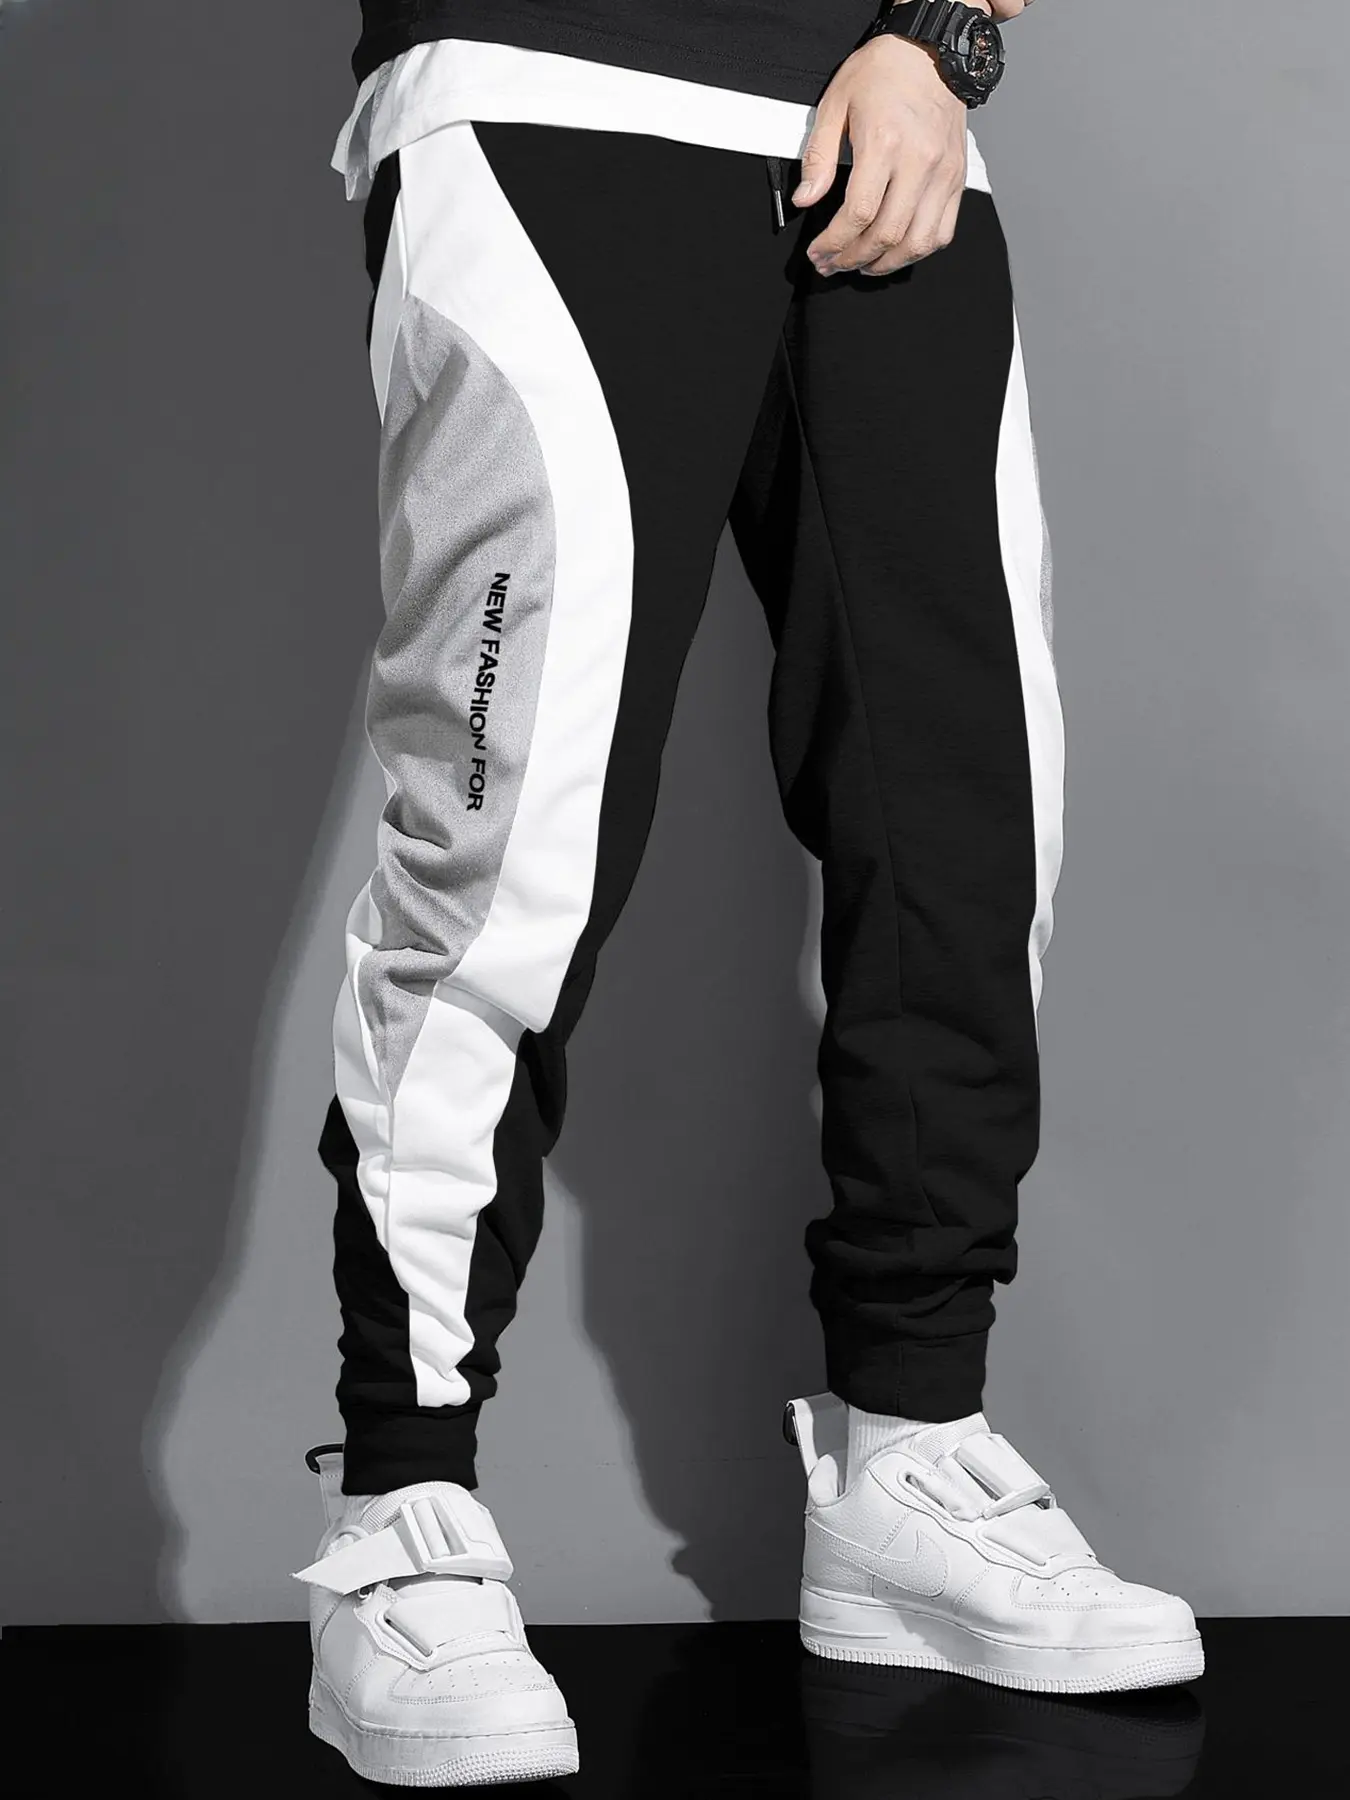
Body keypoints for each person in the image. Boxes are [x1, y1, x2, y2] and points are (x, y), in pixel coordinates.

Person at [294, 1, 1203, 1785]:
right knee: (506, 842)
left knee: (961, 818)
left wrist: (943, 39)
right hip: (538, 91)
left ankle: (907, 1453)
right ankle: (403, 1512)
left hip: (880, 116)